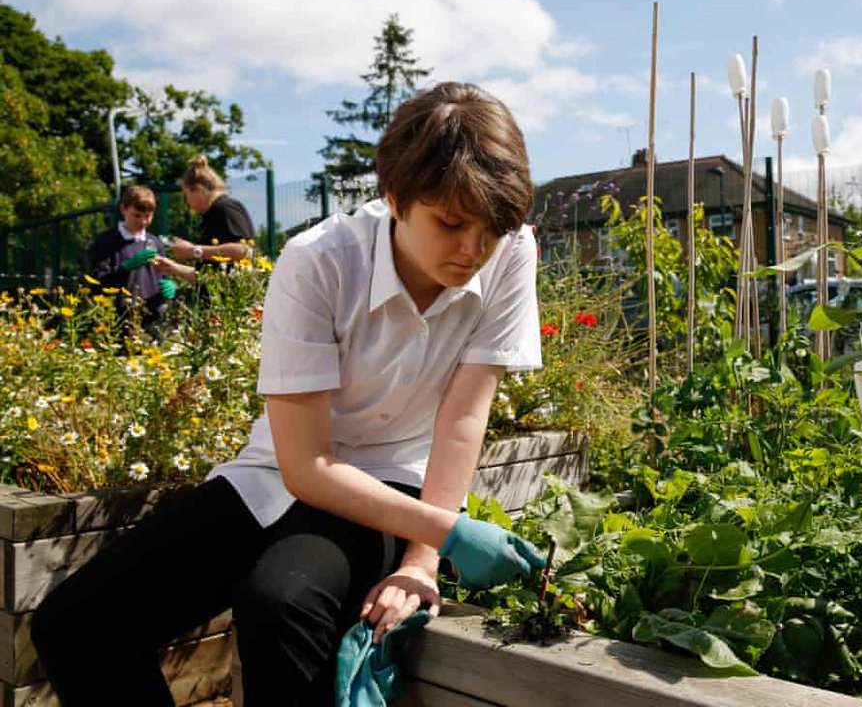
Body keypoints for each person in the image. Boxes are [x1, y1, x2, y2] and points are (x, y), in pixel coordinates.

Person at [32, 82, 546, 706]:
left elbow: (464, 414)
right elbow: (304, 468)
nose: (474, 250)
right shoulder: (319, 262)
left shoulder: (511, 251)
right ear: (394, 197)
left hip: (395, 481)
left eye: (491, 229)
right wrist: (453, 530)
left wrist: (421, 558)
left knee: (281, 603)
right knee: (77, 624)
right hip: (282, 471)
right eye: (452, 224)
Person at [87, 185, 176, 334]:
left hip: (151, 320)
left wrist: (169, 287)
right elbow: (97, 281)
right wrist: (126, 267)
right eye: (137, 215)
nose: (143, 221)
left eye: (148, 216)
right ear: (123, 209)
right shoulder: (106, 241)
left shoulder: (154, 242)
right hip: (117, 321)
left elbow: (163, 276)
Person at [156, 154, 255, 284]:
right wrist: (173, 268)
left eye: (186, 195)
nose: (187, 202)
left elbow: (244, 251)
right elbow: (208, 276)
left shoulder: (225, 208)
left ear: (199, 189)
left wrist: (192, 251)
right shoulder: (212, 214)